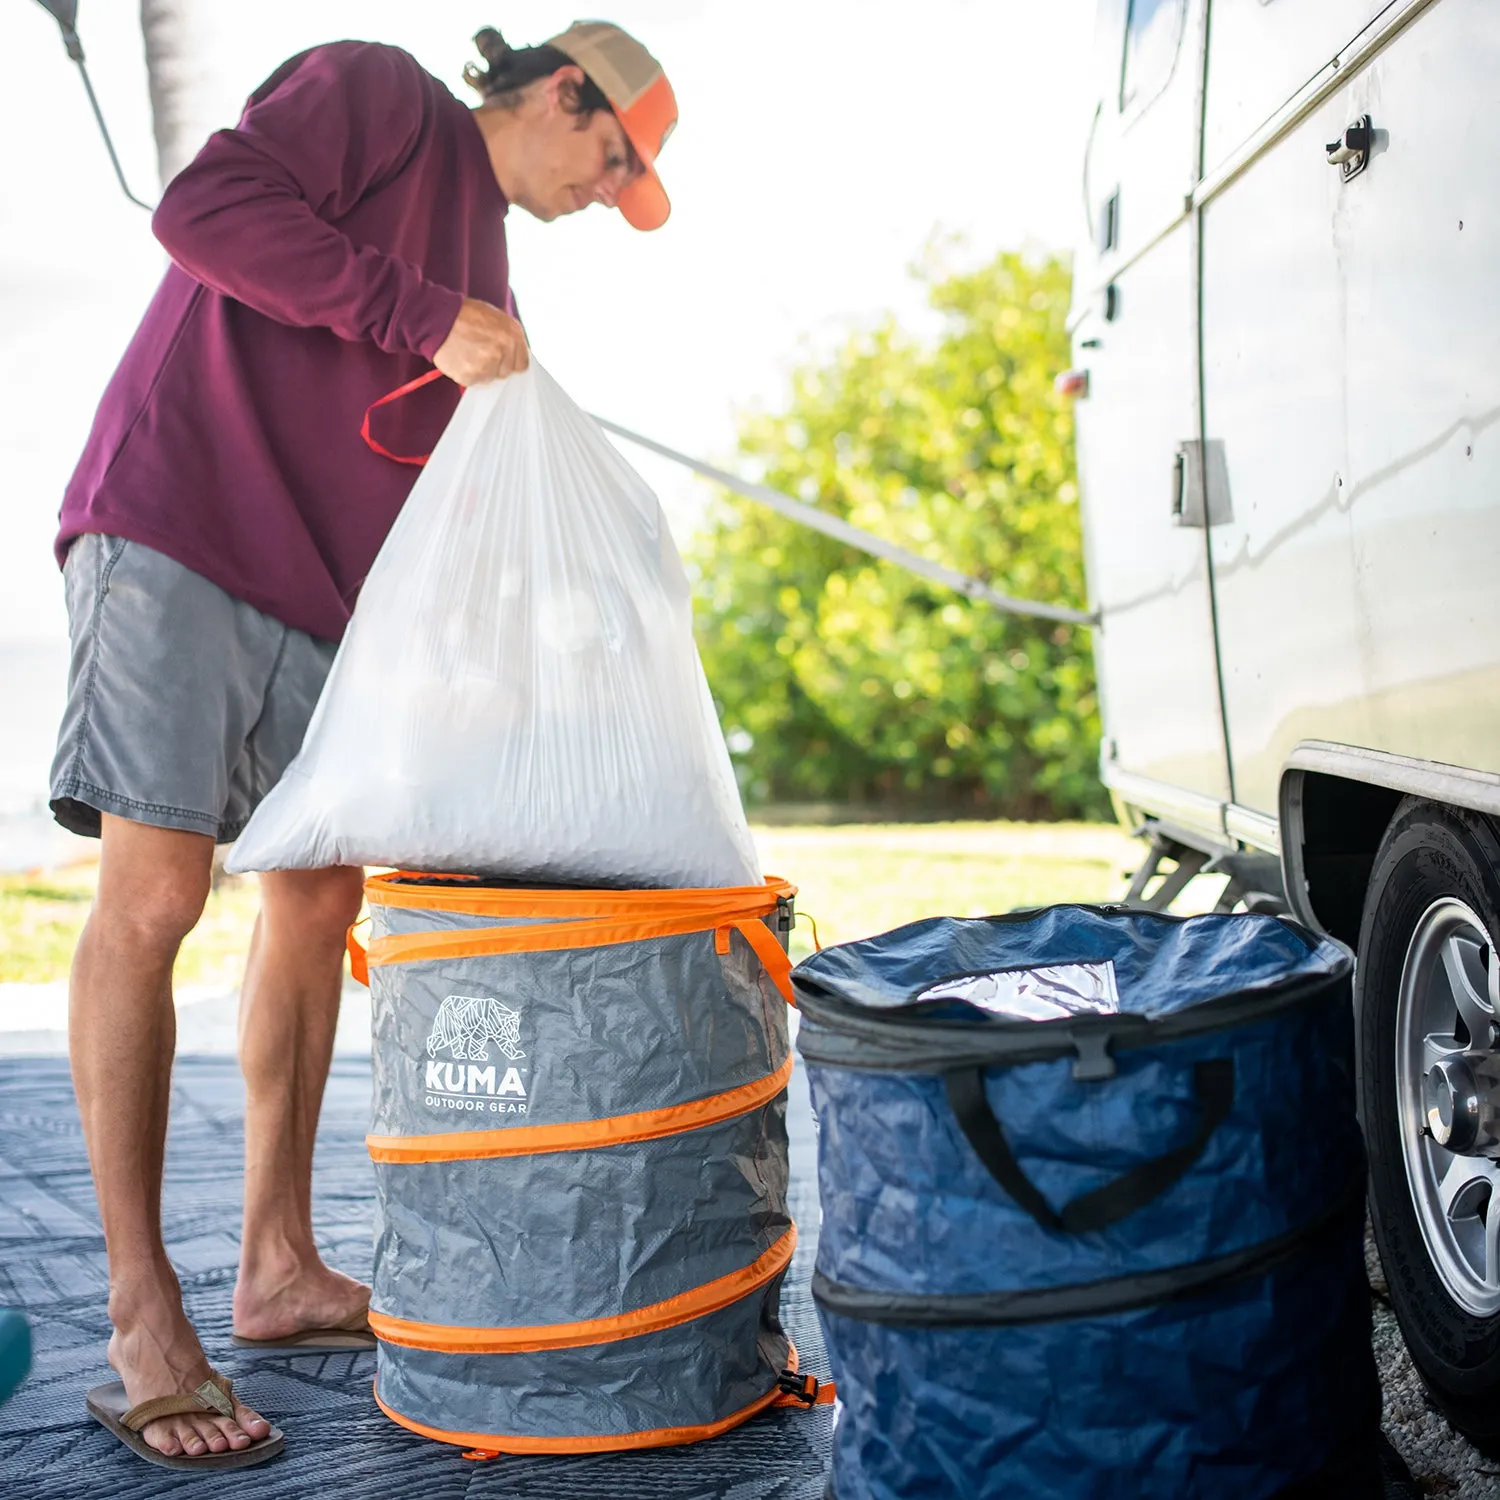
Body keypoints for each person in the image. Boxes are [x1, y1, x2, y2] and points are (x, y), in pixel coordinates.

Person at [51, 19, 677, 1470]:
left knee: (321, 896)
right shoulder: (379, 92)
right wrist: (418, 314)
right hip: (182, 525)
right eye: (612, 157)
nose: (605, 190)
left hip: (327, 606)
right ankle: (144, 1314)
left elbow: (445, 482)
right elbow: (202, 213)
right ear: (564, 90)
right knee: (153, 897)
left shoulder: (495, 277)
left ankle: (275, 1262)